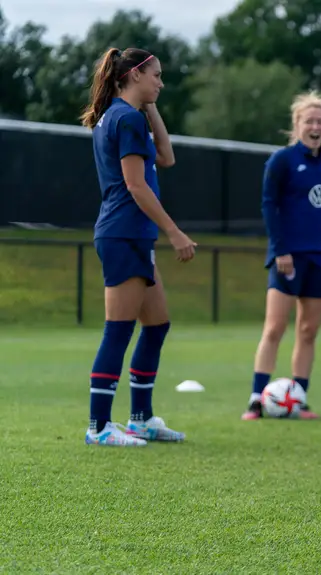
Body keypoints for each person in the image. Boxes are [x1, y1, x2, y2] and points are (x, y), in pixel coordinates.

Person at [81, 47, 195, 446]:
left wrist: (150, 105)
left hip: (132, 235)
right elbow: (135, 185)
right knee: (118, 330)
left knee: (157, 325)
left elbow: (166, 157)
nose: (161, 83)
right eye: (156, 76)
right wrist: (175, 232)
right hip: (123, 233)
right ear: (133, 74)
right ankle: (98, 426)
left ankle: (141, 419)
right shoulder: (125, 118)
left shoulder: (127, 116)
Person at [242, 92, 321, 421]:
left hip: (319, 256)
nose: (315, 126)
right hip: (288, 256)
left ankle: (297, 399)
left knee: (309, 330)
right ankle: (257, 399)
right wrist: (280, 249)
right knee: (274, 328)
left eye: (320, 121)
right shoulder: (282, 160)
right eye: (309, 121)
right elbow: (268, 205)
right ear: (297, 125)